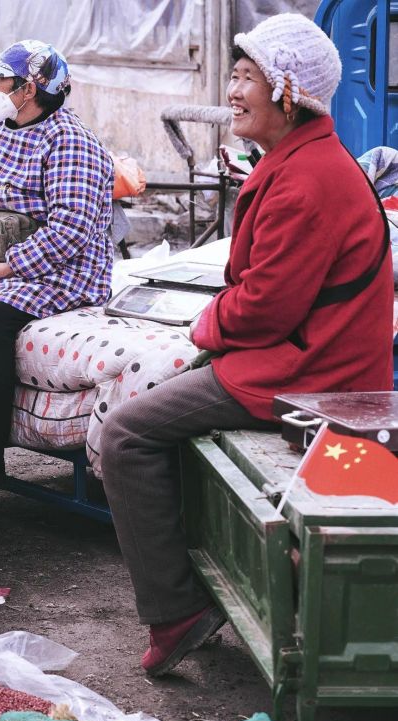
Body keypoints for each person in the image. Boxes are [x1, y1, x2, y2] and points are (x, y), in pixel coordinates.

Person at [100, 13, 394, 677]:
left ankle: (175, 613)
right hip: (303, 357)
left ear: (289, 92)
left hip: (311, 374)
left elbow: (262, 309)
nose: (233, 92)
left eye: (247, 78)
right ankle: (190, 588)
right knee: (159, 395)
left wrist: (203, 326)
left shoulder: (308, 178)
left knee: (124, 435)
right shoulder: (302, 161)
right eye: (234, 75)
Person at [0, 39, 114, 487]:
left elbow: (71, 231)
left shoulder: (72, 143)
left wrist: (6, 268)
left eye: (1, 78)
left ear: (27, 89)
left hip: (63, 273)